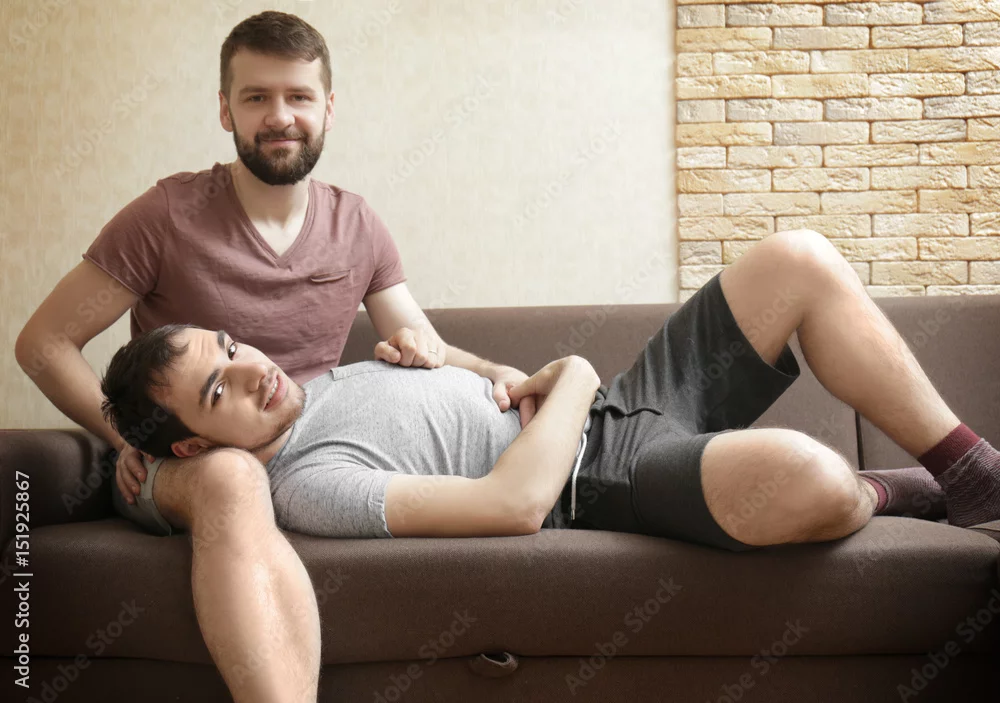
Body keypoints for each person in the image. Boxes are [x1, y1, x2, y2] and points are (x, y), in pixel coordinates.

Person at [14, 11, 533, 703]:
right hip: (189, 457)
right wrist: (123, 436)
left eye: (298, 96)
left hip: (307, 453)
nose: (279, 116)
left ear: (328, 108)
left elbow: (420, 340)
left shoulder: (357, 224)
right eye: (256, 96)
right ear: (225, 109)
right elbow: (43, 343)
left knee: (265, 472)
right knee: (232, 476)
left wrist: (492, 371)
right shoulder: (164, 216)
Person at [101, 228, 1000, 552]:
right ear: (193, 444)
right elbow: (516, 504)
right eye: (217, 389)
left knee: (796, 258)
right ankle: (900, 493)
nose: (250, 367)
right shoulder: (307, 483)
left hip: (619, 407)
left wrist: (467, 364)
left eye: (230, 345)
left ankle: (973, 475)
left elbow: (489, 385)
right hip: (599, 482)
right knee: (812, 477)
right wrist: (572, 374)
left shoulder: (324, 378)